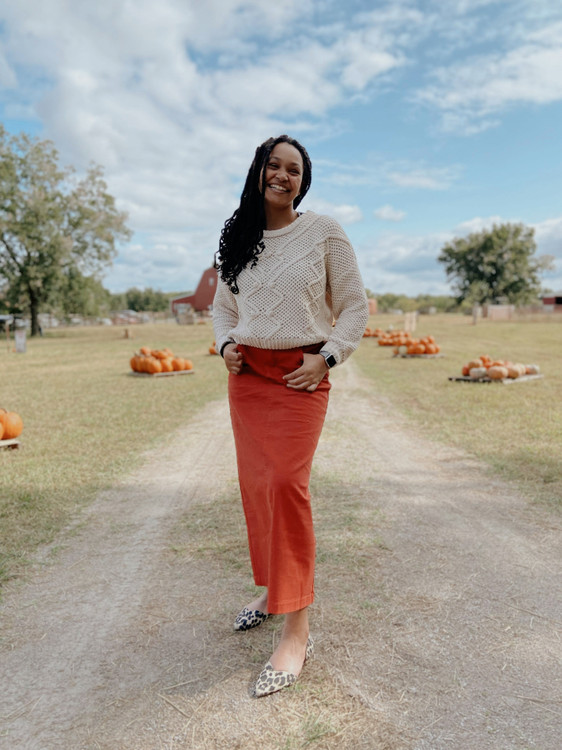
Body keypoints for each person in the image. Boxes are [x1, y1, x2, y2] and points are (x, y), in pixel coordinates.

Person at [213, 134, 368, 697]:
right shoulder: (237, 238)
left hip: (300, 376)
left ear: (305, 179)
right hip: (247, 378)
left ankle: (297, 630)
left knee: (285, 484)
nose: (283, 175)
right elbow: (224, 307)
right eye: (273, 165)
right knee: (257, 486)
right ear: (258, 171)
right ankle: (271, 591)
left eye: (294, 169)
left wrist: (327, 357)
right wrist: (224, 344)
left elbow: (355, 304)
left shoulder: (323, 231)